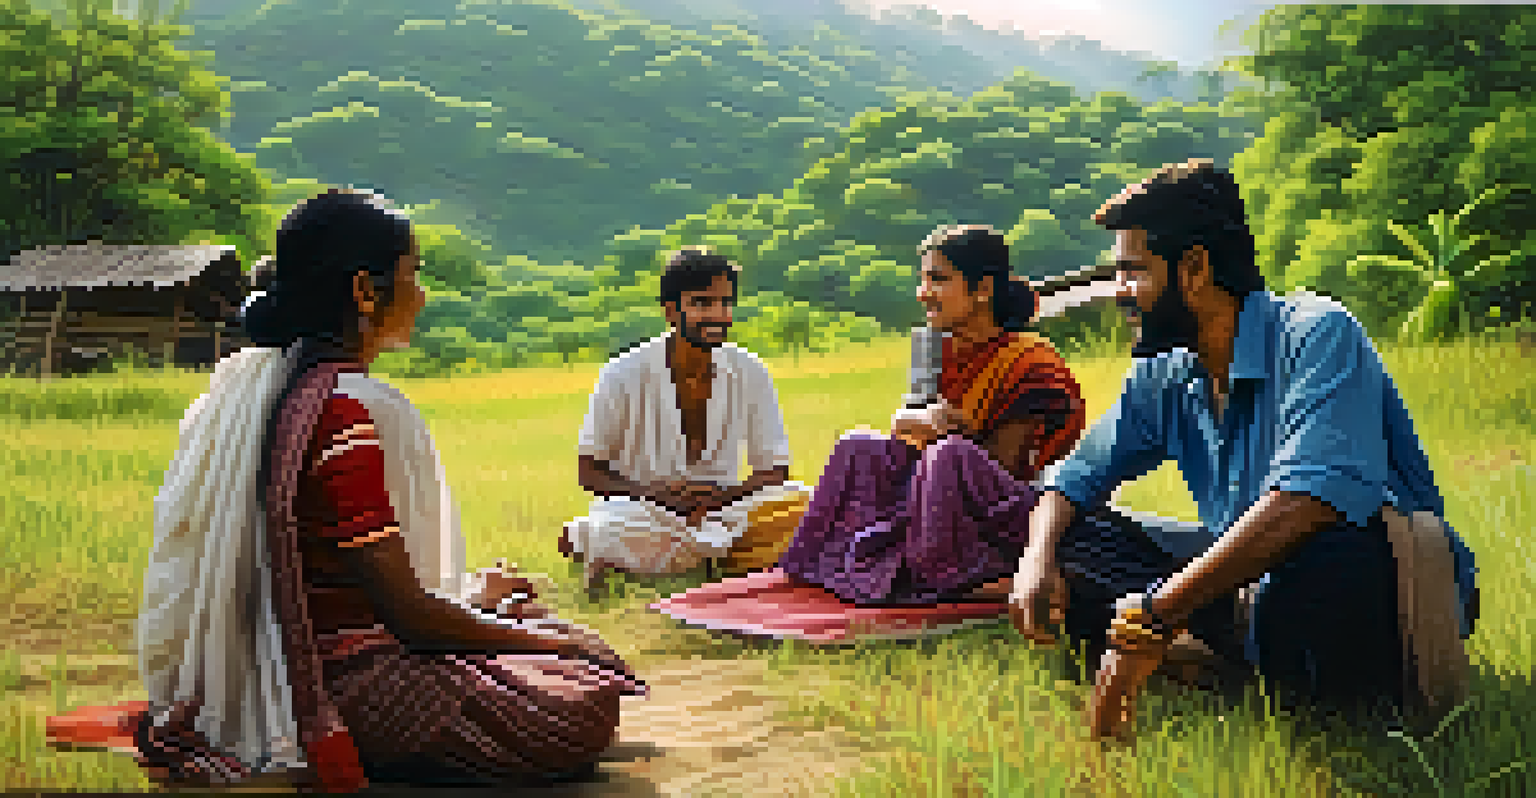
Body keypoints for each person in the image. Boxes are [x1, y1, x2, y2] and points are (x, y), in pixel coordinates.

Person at [132, 189, 645, 791]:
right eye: (414, 274)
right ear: (364, 292)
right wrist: (538, 641)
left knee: (552, 637)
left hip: (305, 659)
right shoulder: (348, 412)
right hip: (351, 681)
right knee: (580, 708)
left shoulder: (286, 390)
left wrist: (510, 620)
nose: (422, 294)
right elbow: (411, 616)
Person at [1007, 160, 1479, 741]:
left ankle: (1228, 662)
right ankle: (1237, 662)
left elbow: (1305, 505)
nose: (1119, 294)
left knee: (1317, 562)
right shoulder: (1166, 370)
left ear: (1196, 268)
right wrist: (1035, 563)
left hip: (1367, 578)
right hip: (1249, 585)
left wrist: (1153, 615)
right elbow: (1074, 476)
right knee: (1074, 540)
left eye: (1133, 272)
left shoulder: (1317, 333)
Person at [773, 224, 1088, 605]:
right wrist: (918, 422)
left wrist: (946, 433)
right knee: (856, 444)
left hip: (1015, 514)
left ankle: (963, 576)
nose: (924, 294)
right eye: (923, 280)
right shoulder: (932, 347)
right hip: (934, 492)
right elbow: (908, 423)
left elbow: (1007, 467)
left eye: (939, 280)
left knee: (947, 455)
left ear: (983, 290)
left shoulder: (1028, 359)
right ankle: (847, 562)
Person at [560, 247, 812, 590]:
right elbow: (589, 472)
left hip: (725, 509)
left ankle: (651, 558)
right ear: (671, 311)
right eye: (702, 303)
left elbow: (775, 470)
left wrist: (718, 498)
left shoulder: (750, 370)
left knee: (806, 504)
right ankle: (712, 557)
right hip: (646, 511)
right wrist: (661, 496)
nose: (718, 315)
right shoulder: (622, 372)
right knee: (609, 527)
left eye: (724, 303)